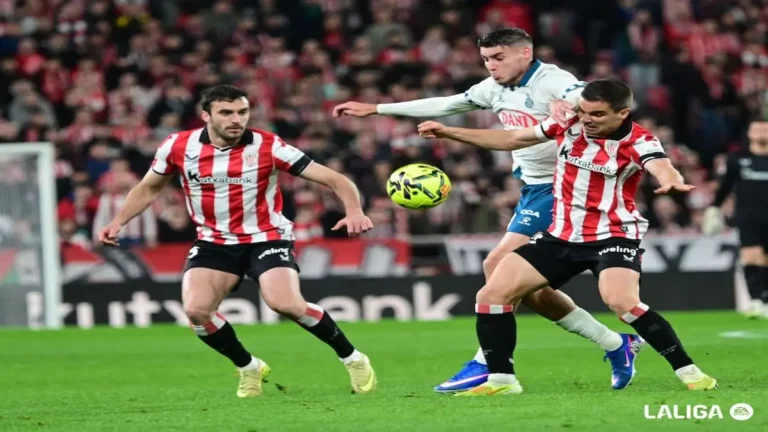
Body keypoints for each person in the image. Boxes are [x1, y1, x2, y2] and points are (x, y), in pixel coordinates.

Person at [333, 28, 644, 392]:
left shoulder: (552, 80)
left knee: (496, 266)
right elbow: (448, 103)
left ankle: (488, 364)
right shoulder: (493, 89)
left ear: (525, 53)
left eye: (498, 58)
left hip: (564, 189)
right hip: (533, 189)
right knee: (522, 287)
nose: (491, 66)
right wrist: (376, 109)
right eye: (486, 60)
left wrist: (572, 104)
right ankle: (615, 344)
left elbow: (584, 94)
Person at [417, 79, 718, 395]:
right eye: (584, 111)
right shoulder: (568, 122)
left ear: (623, 113)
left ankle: (690, 372)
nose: (587, 119)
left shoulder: (639, 141)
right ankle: (502, 380)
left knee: (621, 301)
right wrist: (450, 132)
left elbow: (661, 165)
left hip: (612, 234)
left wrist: (672, 180)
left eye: (598, 114)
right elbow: (514, 138)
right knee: (491, 296)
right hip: (561, 235)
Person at [97, 85, 377, 397]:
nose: (236, 119)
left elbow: (336, 179)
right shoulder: (178, 146)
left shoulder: (269, 146)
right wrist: (118, 221)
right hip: (214, 242)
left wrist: (354, 211)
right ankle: (249, 367)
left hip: (266, 236)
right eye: (226, 113)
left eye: (242, 112)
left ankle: (354, 359)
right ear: (207, 116)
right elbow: (149, 188)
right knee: (196, 312)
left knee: (285, 303)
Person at [702, 121, 768, 318]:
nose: (761, 132)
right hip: (749, 216)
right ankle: (757, 300)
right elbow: (725, 186)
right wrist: (714, 208)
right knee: (752, 256)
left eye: (765, 129)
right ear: (749, 133)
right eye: (757, 129)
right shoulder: (738, 159)